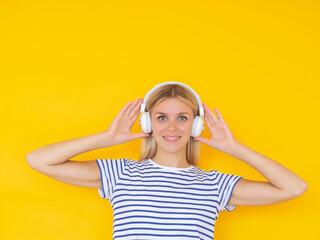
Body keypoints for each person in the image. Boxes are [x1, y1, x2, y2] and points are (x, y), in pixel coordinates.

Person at [26, 81, 308, 240]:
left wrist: (234, 148)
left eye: (182, 118)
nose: (171, 128)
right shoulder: (121, 173)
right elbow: (38, 160)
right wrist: (107, 138)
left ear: (195, 126)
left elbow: (294, 188)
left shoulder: (214, 184)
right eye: (162, 117)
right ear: (148, 122)